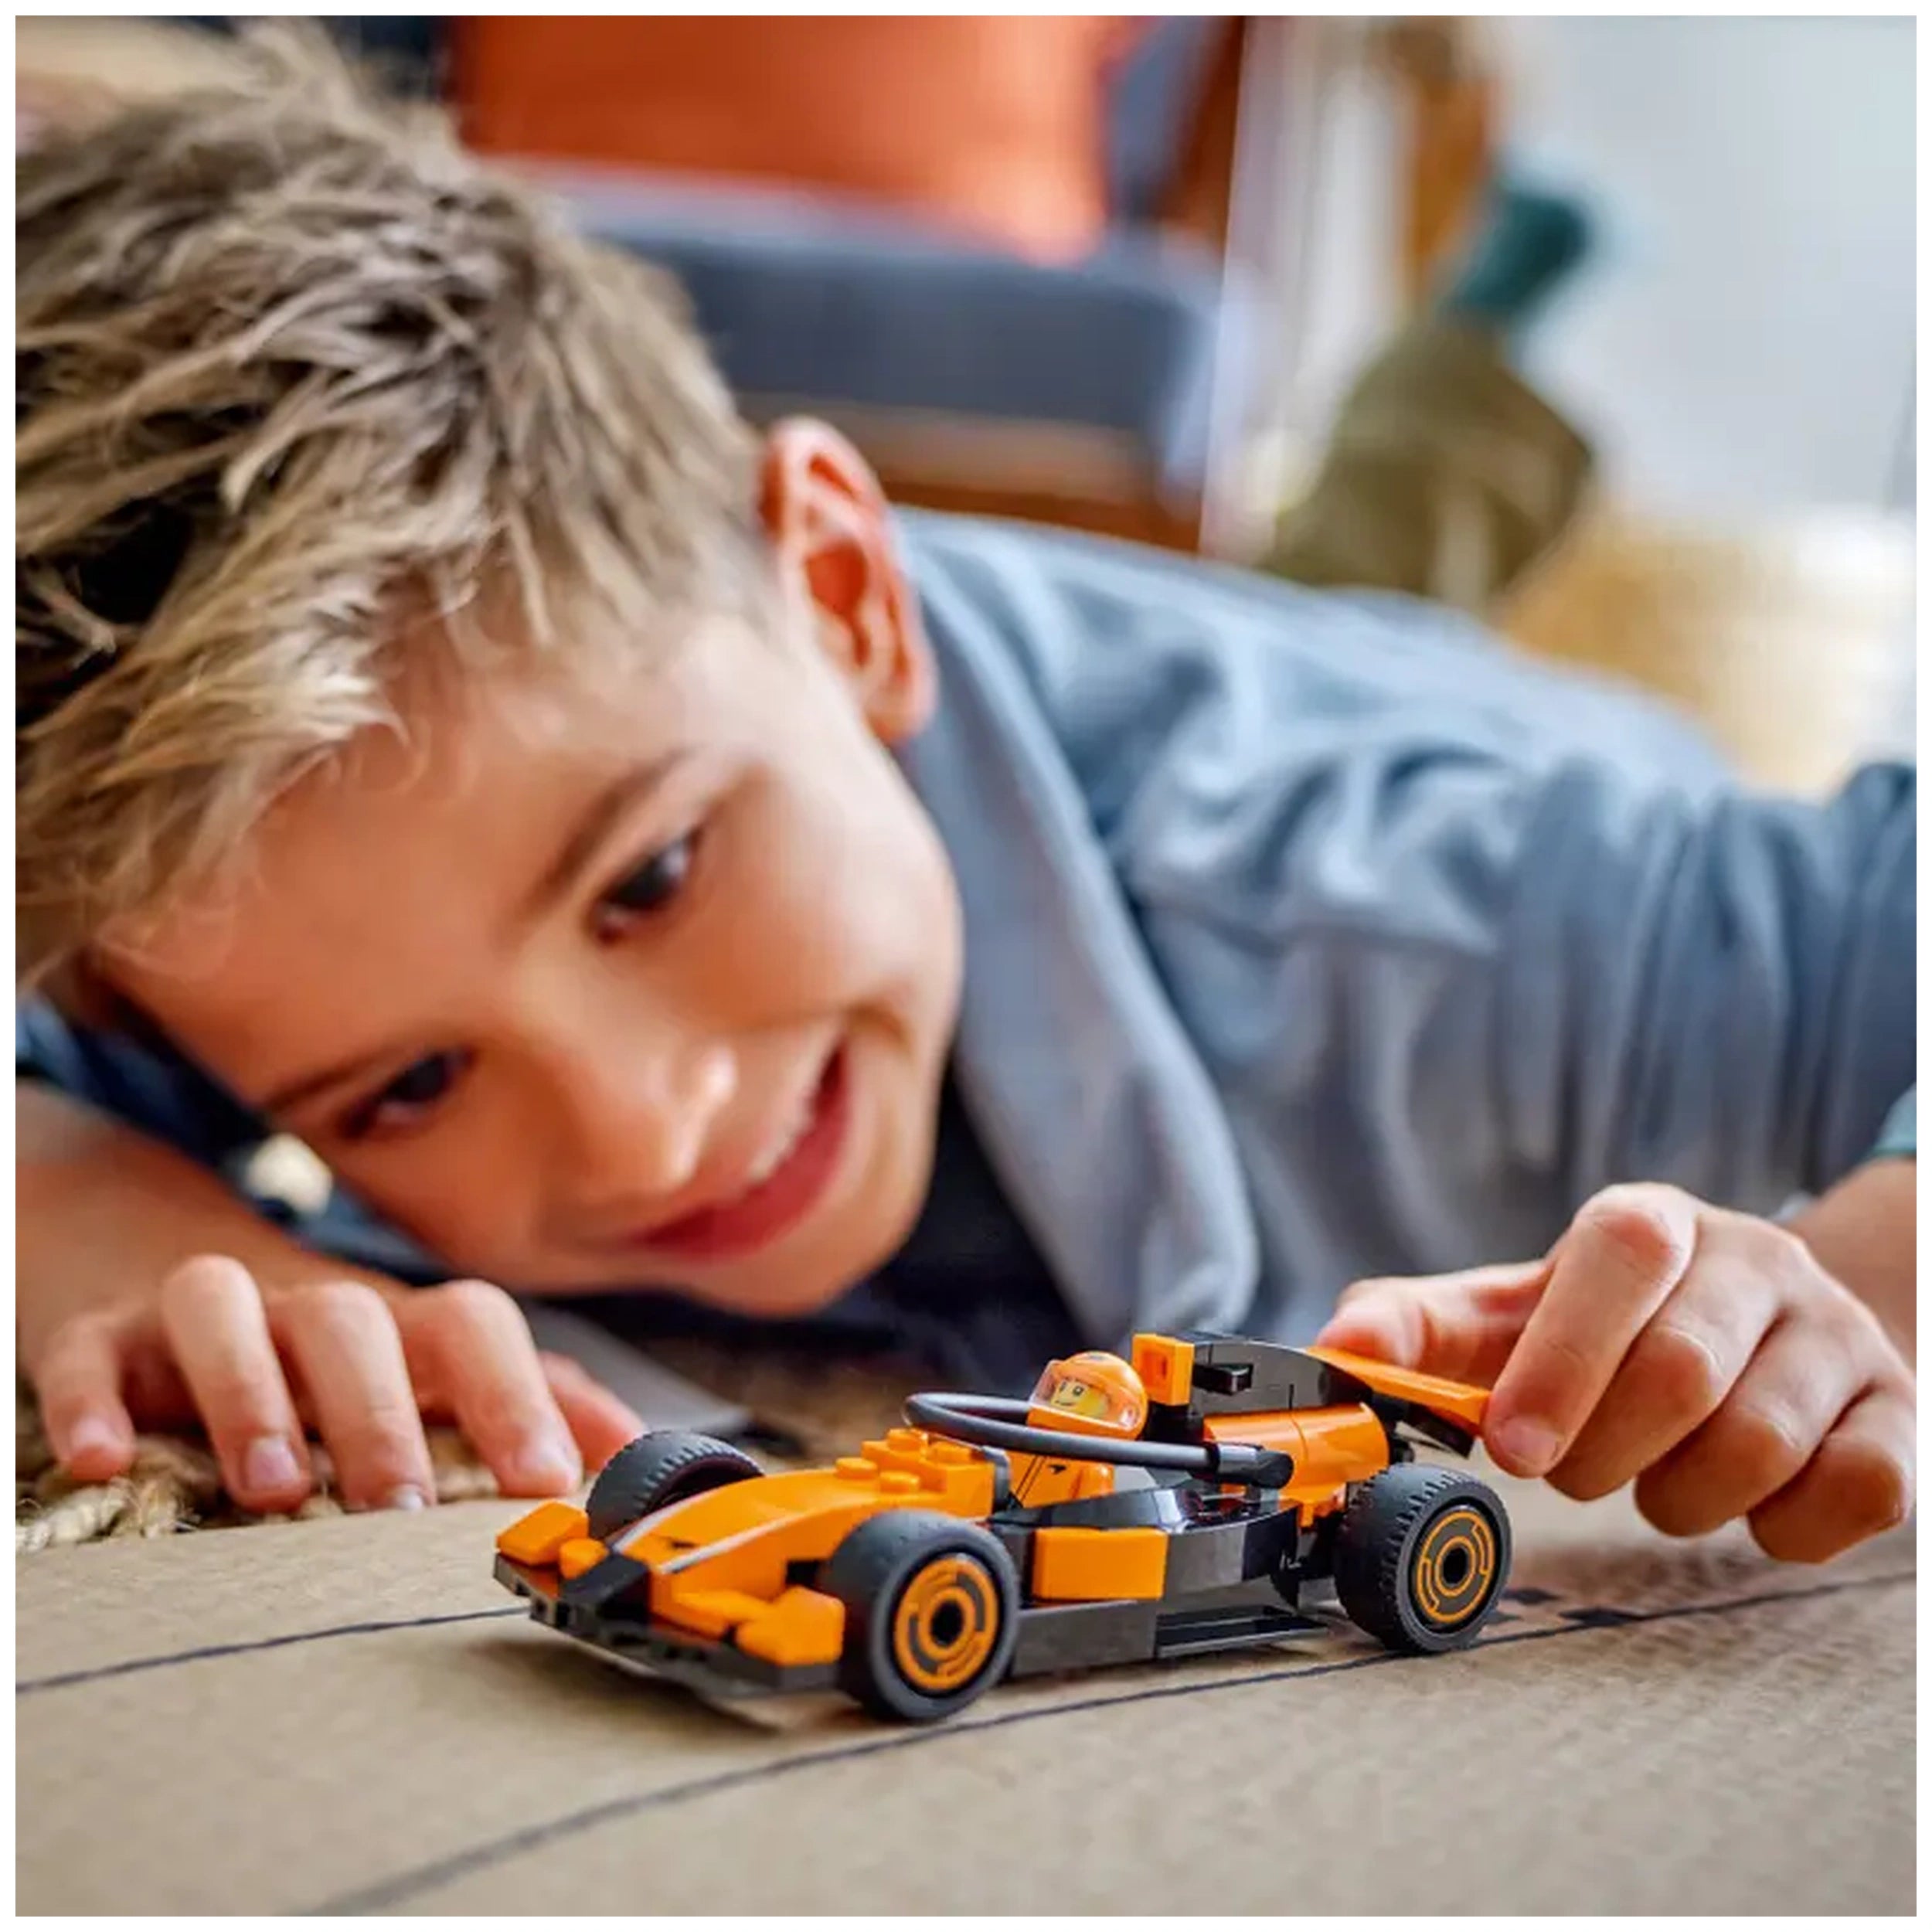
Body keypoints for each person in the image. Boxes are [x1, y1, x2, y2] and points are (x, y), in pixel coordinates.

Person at [17, 39, 1913, 1566]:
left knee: (1396, 587)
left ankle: (1474, 349)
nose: (647, 1128)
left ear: (840, 594)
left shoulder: (1427, 910)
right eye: (406, 1088)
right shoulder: (241, 901)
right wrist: (130, 1221)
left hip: (1394, 759)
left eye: (652, 876)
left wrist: (1848, 1271)